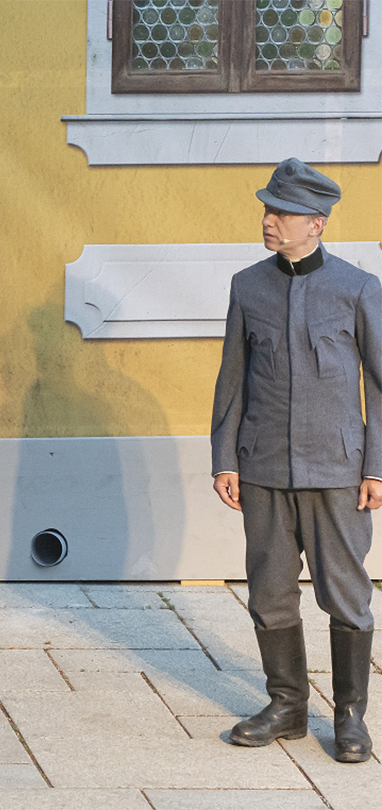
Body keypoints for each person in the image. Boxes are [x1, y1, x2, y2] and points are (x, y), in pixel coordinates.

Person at [211, 158, 380, 763]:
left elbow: (380, 386)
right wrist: (224, 456)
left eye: (280, 212)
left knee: (346, 595)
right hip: (263, 469)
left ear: (317, 223)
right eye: (266, 209)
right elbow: (231, 378)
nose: (268, 220)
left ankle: (351, 716)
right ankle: (286, 706)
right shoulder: (247, 285)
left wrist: (376, 467)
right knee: (270, 592)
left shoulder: (359, 288)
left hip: (338, 471)